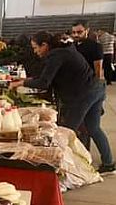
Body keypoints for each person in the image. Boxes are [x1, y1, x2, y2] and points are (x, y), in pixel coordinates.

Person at [10, 31, 114, 173]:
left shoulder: (56, 55)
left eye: (36, 48)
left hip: (82, 94)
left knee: (65, 132)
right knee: (93, 128)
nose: (35, 52)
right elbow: (47, 76)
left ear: (45, 45)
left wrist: (21, 83)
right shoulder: (65, 50)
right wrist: (26, 80)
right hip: (96, 88)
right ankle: (108, 163)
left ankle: (65, 169)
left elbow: (44, 82)